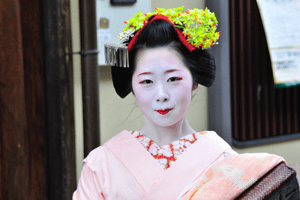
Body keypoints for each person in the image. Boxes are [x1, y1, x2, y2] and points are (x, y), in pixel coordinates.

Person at [73, 7, 288, 200]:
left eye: (173, 79)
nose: (161, 95)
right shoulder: (101, 164)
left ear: (194, 82)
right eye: (146, 81)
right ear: (132, 86)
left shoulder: (223, 159)